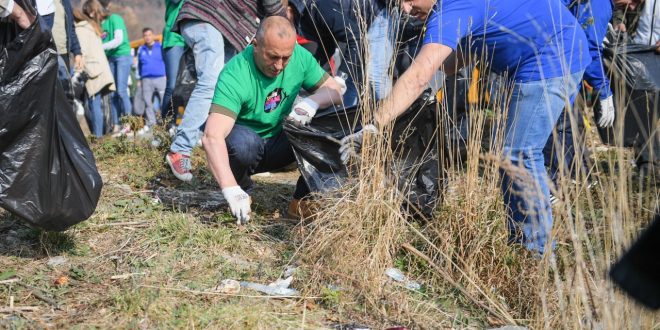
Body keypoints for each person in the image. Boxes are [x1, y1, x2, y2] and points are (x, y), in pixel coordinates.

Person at [340, 0, 590, 255]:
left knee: (520, 153)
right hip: (557, 48)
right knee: (511, 154)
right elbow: (453, 60)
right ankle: (523, 243)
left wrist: (374, 125)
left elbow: (418, 76)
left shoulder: (451, 10)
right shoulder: (456, 7)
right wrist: (428, 92)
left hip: (553, 57)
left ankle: (537, 251)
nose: (406, 9)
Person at [203, 16, 344, 224]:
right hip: (247, 148)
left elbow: (335, 92)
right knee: (242, 143)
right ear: (255, 45)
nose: (279, 65)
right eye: (273, 57)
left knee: (333, 124)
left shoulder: (300, 58)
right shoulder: (235, 74)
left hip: (281, 141)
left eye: (285, 58)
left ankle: (302, 200)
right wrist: (229, 188)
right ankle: (242, 191)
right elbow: (211, 137)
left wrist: (311, 103)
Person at [166, 0, 287, 182]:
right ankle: (180, 149)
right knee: (212, 79)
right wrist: (286, 27)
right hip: (208, 15)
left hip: (228, 28)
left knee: (227, 85)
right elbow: (273, 8)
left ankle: (237, 156)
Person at [543, 0, 617, 197]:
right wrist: (604, 90)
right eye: (635, 2)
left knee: (571, 124)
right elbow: (589, 48)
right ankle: (547, 189)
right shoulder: (600, 4)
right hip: (560, 71)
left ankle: (580, 172)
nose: (633, 6)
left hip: (549, 66)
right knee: (562, 128)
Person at [74, 7, 116, 137]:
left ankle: (98, 136)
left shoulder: (80, 30)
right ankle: (100, 133)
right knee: (95, 102)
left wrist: (77, 71)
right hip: (100, 68)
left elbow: (82, 51)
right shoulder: (91, 27)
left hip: (92, 70)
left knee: (94, 102)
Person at [94, 0, 132, 135]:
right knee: (112, 93)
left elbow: (118, 40)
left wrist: (99, 47)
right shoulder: (99, 25)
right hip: (109, 58)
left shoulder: (115, 19)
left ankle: (128, 124)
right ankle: (116, 125)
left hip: (122, 56)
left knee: (121, 91)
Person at [135, 27, 166, 135]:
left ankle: (165, 123)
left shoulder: (160, 46)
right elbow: (138, 65)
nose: (147, 37)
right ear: (143, 37)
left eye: (149, 35)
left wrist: (166, 75)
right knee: (148, 102)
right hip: (146, 79)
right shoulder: (141, 49)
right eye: (145, 35)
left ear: (153, 35)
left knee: (164, 101)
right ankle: (151, 124)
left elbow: (167, 61)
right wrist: (139, 79)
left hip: (160, 78)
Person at [160, 0, 185, 123]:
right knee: (172, 85)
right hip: (174, 40)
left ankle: (180, 122)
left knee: (188, 86)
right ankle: (164, 123)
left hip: (191, 41)